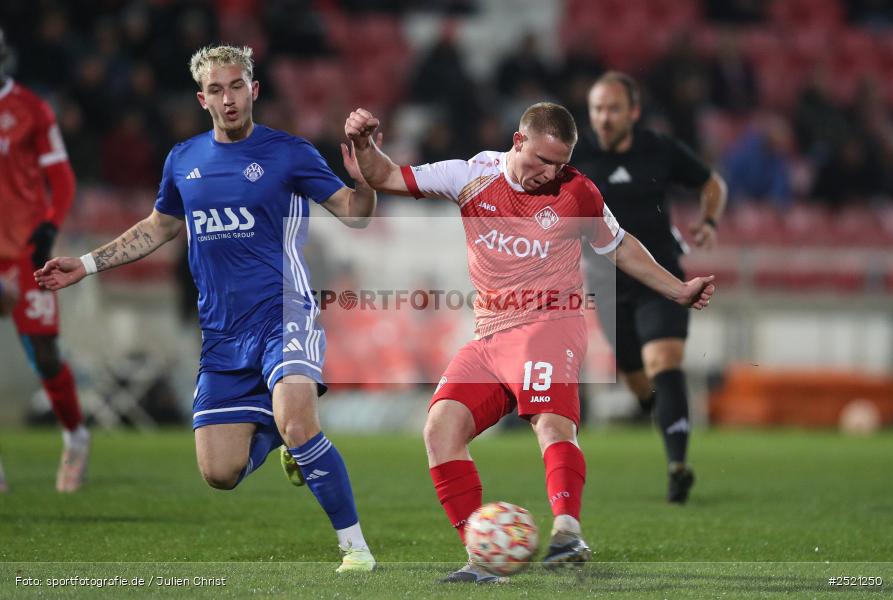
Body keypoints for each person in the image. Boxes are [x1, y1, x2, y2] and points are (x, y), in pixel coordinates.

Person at [36, 45, 377, 572]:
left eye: (237, 85)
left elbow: (355, 214)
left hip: (284, 312)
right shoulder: (184, 159)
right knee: (220, 473)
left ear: (254, 90)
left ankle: (356, 549)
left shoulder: (289, 153)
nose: (229, 98)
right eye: (216, 90)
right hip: (220, 334)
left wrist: (364, 178)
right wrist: (87, 263)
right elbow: (158, 227)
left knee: (298, 420)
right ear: (202, 99)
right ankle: (284, 439)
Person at [345, 102, 715, 583]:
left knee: (550, 424)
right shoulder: (470, 174)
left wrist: (677, 289)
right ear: (517, 142)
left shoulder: (577, 191)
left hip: (550, 323)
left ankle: (567, 531)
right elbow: (387, 177)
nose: (551, 172)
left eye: (560, 163)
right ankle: (484, 558)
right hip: (490, 334)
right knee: (439, 429)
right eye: (543, 160)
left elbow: (619, 244)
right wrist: (363, 143)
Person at [574, 71, 728, 503]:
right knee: (639, 381)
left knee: (665, 360)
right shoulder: (575, 155)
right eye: (597, 109)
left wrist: (709, 221)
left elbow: (712, 184)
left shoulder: (658, 149)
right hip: (605, 282)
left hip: (660, 277)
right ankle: (650, 404)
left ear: (633, 112)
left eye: (613, 109)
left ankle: (678, 465)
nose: (604, 118)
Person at [0, 27, 89, 493]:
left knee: (45, 354)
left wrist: (50, 225)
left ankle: (75, 437)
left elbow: (63, 176)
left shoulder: (31, 110)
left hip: (23, 251)